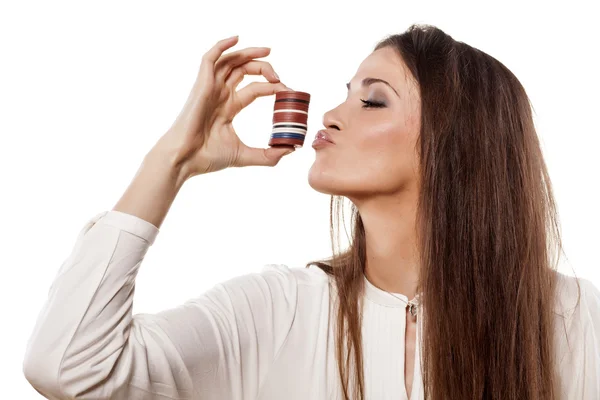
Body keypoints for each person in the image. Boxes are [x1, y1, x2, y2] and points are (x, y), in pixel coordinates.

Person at [22, 24, 600, 400]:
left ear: (457, 145)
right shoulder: (279, 311)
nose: (330, 114)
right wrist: (174, 158)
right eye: (345, 93)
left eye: (372, 100)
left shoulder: (576, 322)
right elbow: (70, 365)